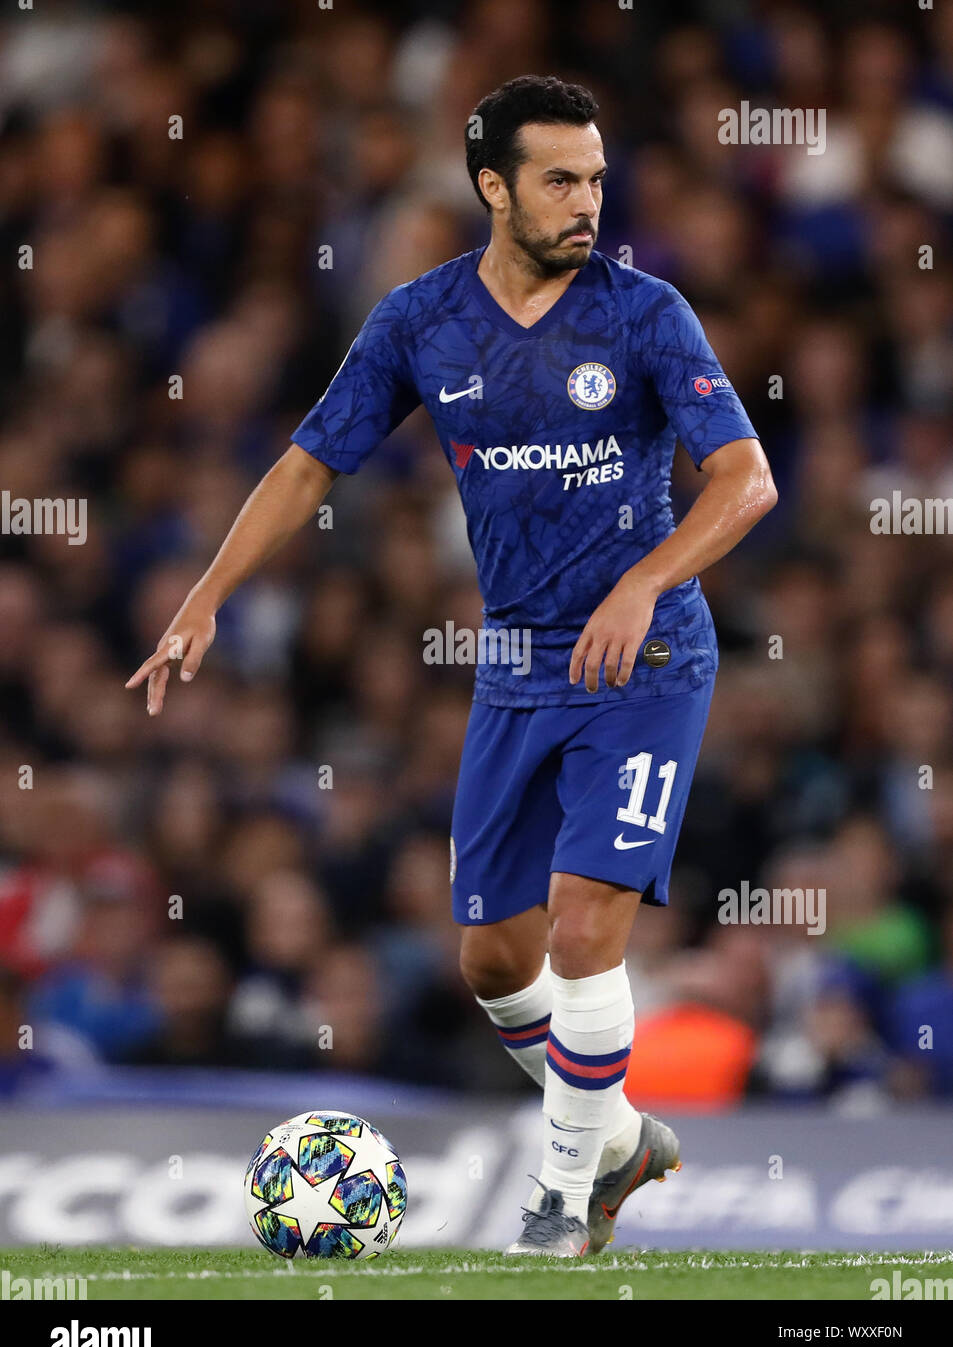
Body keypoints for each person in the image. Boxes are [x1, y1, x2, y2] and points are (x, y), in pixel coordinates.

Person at [127, 75, 776, 1257]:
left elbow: (745, 479)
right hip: (517, 664)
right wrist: (207, 595)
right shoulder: (420, 322)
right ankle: (617, 1132)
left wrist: (643, 581)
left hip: (648, 656)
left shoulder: (643, 315)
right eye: (559, 180)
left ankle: (563, 1201)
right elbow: (310, 465)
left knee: (586, 932)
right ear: (492, 187)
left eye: (594, 177)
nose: (588, 202)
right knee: (491, 956)